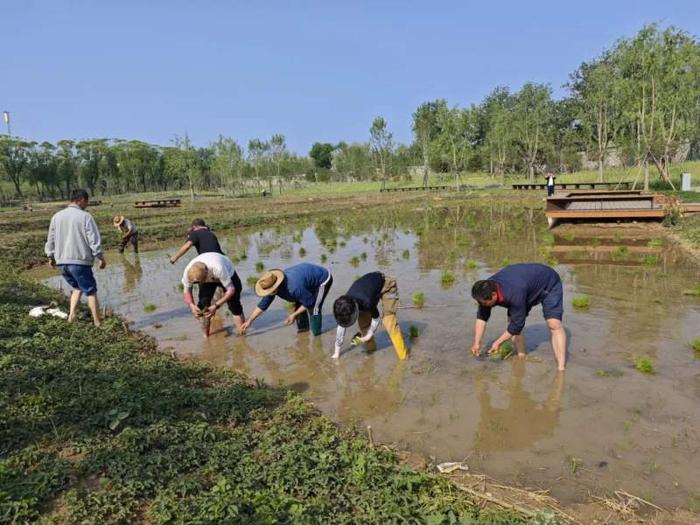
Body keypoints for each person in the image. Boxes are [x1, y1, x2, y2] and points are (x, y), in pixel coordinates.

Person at [470, 263, 566, 371]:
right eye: (480, 302)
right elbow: (482, 317)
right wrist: (477, 342)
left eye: (484, 303)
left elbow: (517, 325)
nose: (482, 305)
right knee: (513, 320)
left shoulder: (513, 293)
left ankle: (561, 369)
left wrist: (497, 343)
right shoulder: (484, 292)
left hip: (548, 282)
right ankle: (521, 356)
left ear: (494, 295)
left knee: (554, 324)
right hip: (526, 286)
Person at [44, 189, 106, 326]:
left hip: (62, 263)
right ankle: (97, 322)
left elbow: (51, 239)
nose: (87, 205)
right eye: (86, 202)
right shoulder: (85, 216)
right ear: (82, 200)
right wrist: (100, 256)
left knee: (77, 287)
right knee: (91, 290)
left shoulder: (56, 216)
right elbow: (93, 238)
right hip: (79, 261)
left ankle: (71, 317)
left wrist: (50, 256)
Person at [240, 263, 332, 336]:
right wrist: (249, 321)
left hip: (322, 280)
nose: (268, 294)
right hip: (305, 279)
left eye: (270, 291)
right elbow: (262, 305)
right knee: (298, 304)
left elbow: (310, 302)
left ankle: (317, 336)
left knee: (314, 308)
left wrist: (294, 315)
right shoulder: (272, 285)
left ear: (276, 287)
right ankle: (303, 331)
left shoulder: (293, 288)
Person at [332, 272, 407, 360]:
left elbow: (376, 318)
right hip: (368, 291)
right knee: (364, 325)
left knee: (388, 321)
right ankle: (372, 350)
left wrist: (367, 336)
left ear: (355, 310)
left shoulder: (367, 302)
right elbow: (341, 326)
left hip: (387, 285)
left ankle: (404, 356)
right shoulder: (344, 304)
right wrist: (336, 353)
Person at [181, 252, 245, 338]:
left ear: (206, 272)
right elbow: (187, 291)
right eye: (197, 283)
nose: (198, 284)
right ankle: (206, 337)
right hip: (207, 278)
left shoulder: (218, 268)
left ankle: (242, 335)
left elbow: (231, 290)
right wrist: (191, 305)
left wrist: (216, 305)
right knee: (203, 308)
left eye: (200, 281)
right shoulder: (188, 273)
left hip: (227, 273)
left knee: (234, 305)